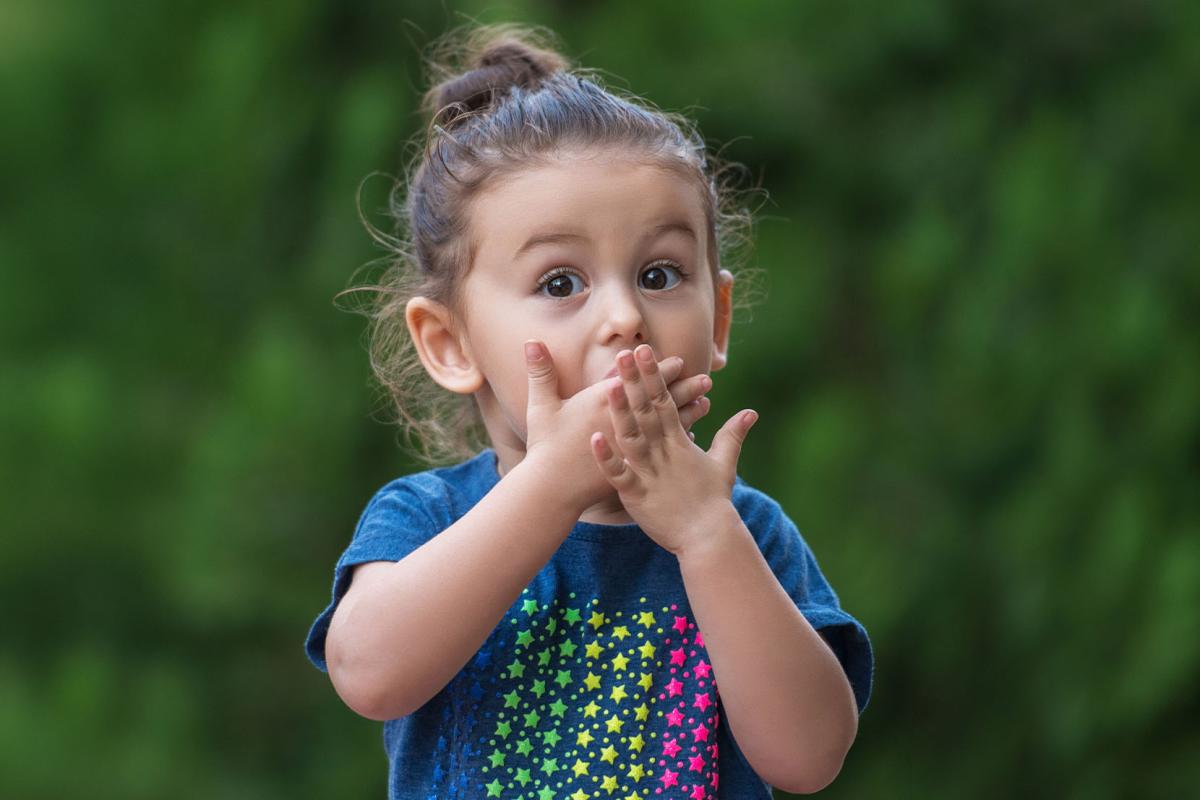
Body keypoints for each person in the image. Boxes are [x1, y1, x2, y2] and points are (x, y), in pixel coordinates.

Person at [305, 23, 873, 800]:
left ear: (719, 321)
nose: (624, 317)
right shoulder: (428, 518)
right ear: (450, 342)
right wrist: (552, 484)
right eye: (561, 284)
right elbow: (368, 674)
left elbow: (808, 757)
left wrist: (706, 535)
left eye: (661, 273)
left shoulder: (744, 532)